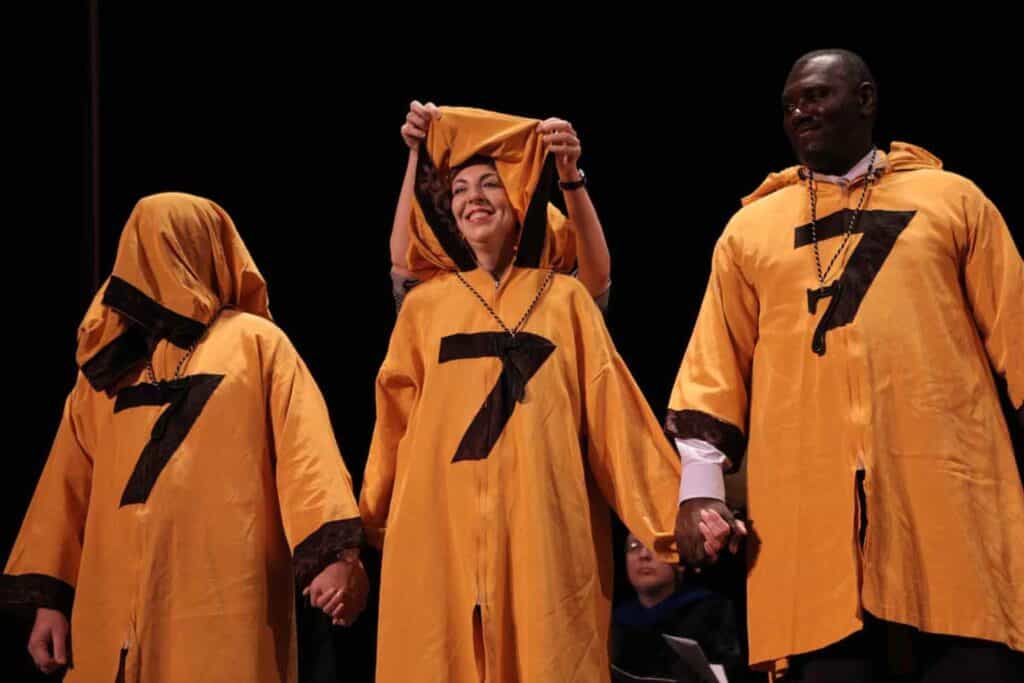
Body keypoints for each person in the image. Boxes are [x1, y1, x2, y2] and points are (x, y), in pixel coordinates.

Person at [669, 49, 1024, 681]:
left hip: (945, 491)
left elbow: (1016, 329)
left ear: (865, 99)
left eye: (815, 96)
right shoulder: (751, 228)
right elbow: (712, 364)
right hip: (809, 509)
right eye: (789, 105)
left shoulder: (952, 199)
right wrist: (700, 491)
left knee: (968, 655)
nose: (800, 113)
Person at [361, 106, 682, 682]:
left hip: (541, 524)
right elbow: (395, 417)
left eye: (490, 184)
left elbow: (615, 414)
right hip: (439, 525)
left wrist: (680, 512)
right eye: (459, 189)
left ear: (518, 200)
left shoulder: (562, 298)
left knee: (546, 654)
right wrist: (371, 517)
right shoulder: (426, 307)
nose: (473, 197)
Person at [0, 193, 367, 682]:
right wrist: (51, 601)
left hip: (221, 595)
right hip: (111, 605)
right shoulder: (109, 367)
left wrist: (335, 557)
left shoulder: (255, 343)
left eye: (168, 245)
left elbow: (307, 455)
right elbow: (66, 486)